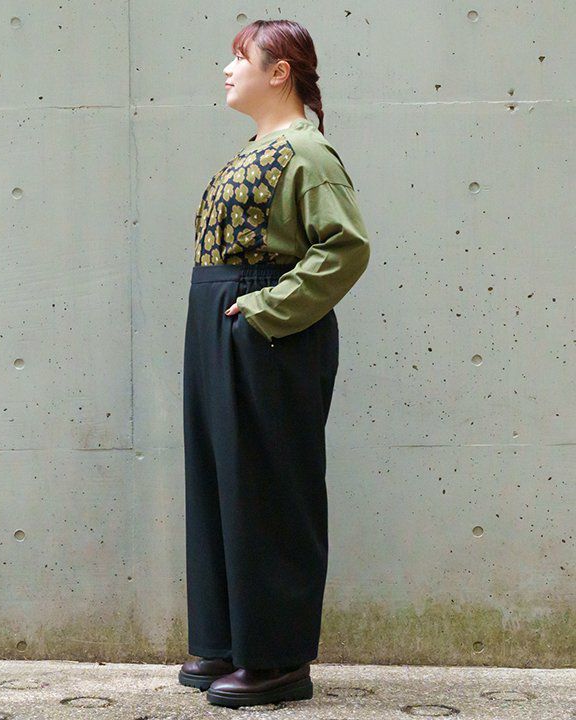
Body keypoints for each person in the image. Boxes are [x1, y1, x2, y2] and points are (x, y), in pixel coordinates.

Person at [178, 19, 370, 709]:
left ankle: (279, 659)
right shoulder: (256, 151)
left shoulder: (307, 153)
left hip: (267, 331)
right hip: (221, 322)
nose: (228, 69)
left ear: (279, 71)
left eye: (241, 58)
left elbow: (345, 247)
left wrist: (266, 310)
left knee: (269, 488)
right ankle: (229, 641)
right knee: (220, 481)